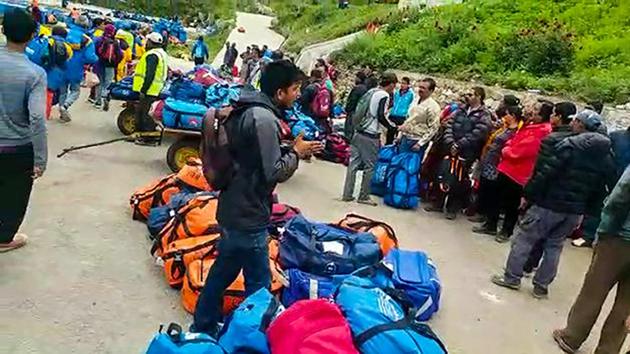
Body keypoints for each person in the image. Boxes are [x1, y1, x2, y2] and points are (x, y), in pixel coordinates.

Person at [192, 60, 323, 336]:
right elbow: (273, 172)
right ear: (279, 93)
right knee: (259, 285)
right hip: (248, 213)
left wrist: (291, 149)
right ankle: (253, 337)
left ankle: (203, 324)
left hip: (234, 207)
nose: (298, 94)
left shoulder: (249, 109)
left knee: (223, 272)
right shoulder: (263, 119)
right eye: (295, 89)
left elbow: (252, 155)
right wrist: (296, 153)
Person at [492, 110, 616, 299]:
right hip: (574, 210)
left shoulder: (568, 146)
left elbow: (546, 173)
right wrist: (585, 211)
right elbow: (602, 187)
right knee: (555, 246)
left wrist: (528, 194)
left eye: (576, 121)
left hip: (548, 204)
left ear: (581, 125)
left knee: (524, 239)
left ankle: (512, 278)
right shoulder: (606, 155)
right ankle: (541, 287)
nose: (572, 123)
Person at [553, 165, 630, 354]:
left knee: (594, 289)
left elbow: (620, 195)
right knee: (626, 303)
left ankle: (572, 337)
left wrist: (604, 228)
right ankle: (608, 350)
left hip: (619, 237)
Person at [0, 8, 47, 252]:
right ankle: (4, 238)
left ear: (3, 30)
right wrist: (40, 159)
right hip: (17, 148)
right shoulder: (35, 74)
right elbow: (37, 117)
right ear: (31, 36)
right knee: (14, 196)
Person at [475, 100, 554, 240]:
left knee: (512, 204)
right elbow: (513, 140)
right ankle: (490, 224)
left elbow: (524, 150)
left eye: (535, 110)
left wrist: (507, 151)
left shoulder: (543, 131)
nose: (531, 111)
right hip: (506, 167)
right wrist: (508, 148)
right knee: (496, 197)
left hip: (519, 172)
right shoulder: (530, 126)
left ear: (542, 115)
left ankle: (506, 231)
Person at [425, 87, 492, 220]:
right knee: (443, 173)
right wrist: (450, 142)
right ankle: (438, 202)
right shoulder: (460, 109)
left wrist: (459, 144)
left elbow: (479, 132)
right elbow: (449, 124)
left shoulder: (484, 114)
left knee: (460, 179)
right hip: (450, 148)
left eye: (471, 94)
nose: (467, 96)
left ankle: (452, 208)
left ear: (479, 97)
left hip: (467, 152)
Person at [341, 72, 398, 206]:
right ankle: (364, 196)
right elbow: (381, 115)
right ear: (391, 84)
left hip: (359, 131)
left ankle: (347, 194)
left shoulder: (372, 91)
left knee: (353, 164)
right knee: (370, 167)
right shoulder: (384, 95)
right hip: (371, 134)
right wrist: (392, 128)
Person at [572, 125, 630, 248]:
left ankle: (596, 236)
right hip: (608, 176)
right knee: (596, 205)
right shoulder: (616, 136)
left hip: (624, 182)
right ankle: (587, 234)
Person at [471, 96, 523, 229]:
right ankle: (485, 216)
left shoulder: (514, 132)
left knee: (492, 193)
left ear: (513, 116)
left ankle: (490, 222)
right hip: (489, 160)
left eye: (507, 115)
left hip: (496, 164)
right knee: (485, 188)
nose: (505, 116)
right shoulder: (505, 127)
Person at [59, 15, 97, 123]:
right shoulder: (87, 40)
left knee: (63, 92)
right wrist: (95, 59)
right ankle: (65, 106)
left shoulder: (66, 33)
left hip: (62, 65)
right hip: (76, 68)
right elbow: (90, 57)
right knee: (75, 91)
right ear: (86, 25)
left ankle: (62, 112)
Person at [132, 33, 168, 146]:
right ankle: (142, 135)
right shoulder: (161, 53)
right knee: (147, 113)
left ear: (151, 42)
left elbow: (150, 74)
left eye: (147, 41)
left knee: (146, 115)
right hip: (156, 88)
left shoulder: (152, 55)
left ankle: (149, 139)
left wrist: (143, 89)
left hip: (150, 90)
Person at [397, 77, 441, 156]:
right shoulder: (415, 100)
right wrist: (400, 135)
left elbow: (433, 128)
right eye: (420, 87)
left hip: (416, 141)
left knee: (410, 167)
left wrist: (420, 143)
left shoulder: (433, 107)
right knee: (398, 163)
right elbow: (408, 119)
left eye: (423, 88)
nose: (420, 90)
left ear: (431, 91)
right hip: (405, 137)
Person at [94, 24, 122, 110]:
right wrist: (116, 63)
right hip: (111, 65)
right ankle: (105, 97)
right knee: (108, 83)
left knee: (99, 82)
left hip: (100, 63)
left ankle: (98, 102)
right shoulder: (115, 42)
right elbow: (120, 55)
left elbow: (94, 52)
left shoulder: (99, 39)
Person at [387, 77, 415, 144]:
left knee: (398, 137)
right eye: (401, 83)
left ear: (408, 85)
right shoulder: (396, 92)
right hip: (393, 115)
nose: (402, 85)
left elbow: (412, 105)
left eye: (404, 83)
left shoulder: (410, 94)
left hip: (402, 117)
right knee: (389, 135)